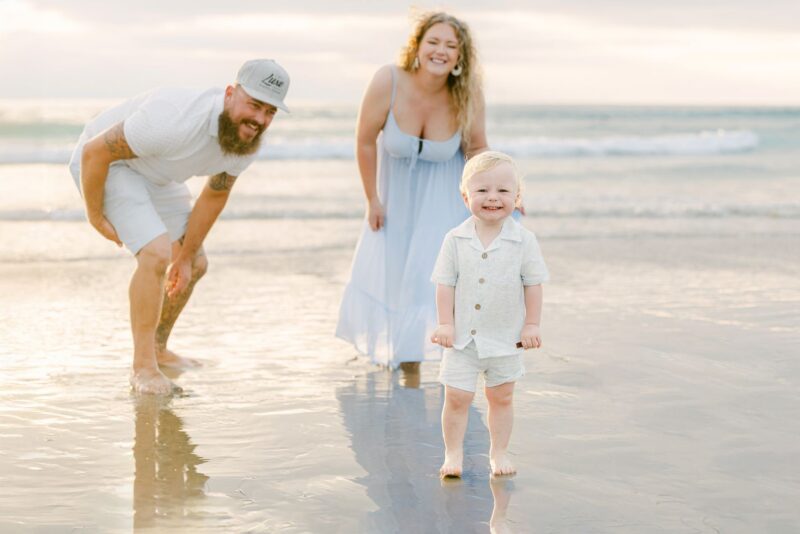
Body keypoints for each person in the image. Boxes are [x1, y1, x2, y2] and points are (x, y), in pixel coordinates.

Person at [68, 59, 291, 395]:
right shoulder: (172, 117)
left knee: (196, 262)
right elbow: (93, 152)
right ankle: (143, 369)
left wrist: (185, 256)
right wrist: (95, 215)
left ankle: (158, 348)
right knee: (157, 253)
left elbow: (215, 194)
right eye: (254, 105)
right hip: (109, 166)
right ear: (231, 94)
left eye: (270, 112)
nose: (259, 119)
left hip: (158, 176)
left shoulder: (247, 140)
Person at [336, 11, 488, 372]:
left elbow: (477, 149)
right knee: (393, 280)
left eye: (451, 46)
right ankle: (404, 364)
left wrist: (501, 192)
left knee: (430, 282)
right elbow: (365, 140)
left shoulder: (466, 93)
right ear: (417, 46)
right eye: (433, 41)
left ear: (460, 57)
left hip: (443, 205)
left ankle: (429, 368)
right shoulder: (388, 79)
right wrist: (372, 198)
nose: (441, 51)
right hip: (394, 202)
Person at [430, 151, 549, 477]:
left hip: (506, 338)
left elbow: (533, 284)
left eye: (503, 190)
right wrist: (445, 323)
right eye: (482, 190)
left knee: (502, 398)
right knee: (456, 397)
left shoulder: (524, 241)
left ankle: (499, 452)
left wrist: (532, 324)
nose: (493, 197)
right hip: (462, 339)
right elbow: (445, 284)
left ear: (517, 196)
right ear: (465, 195)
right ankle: (453, 453)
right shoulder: (454, 239)